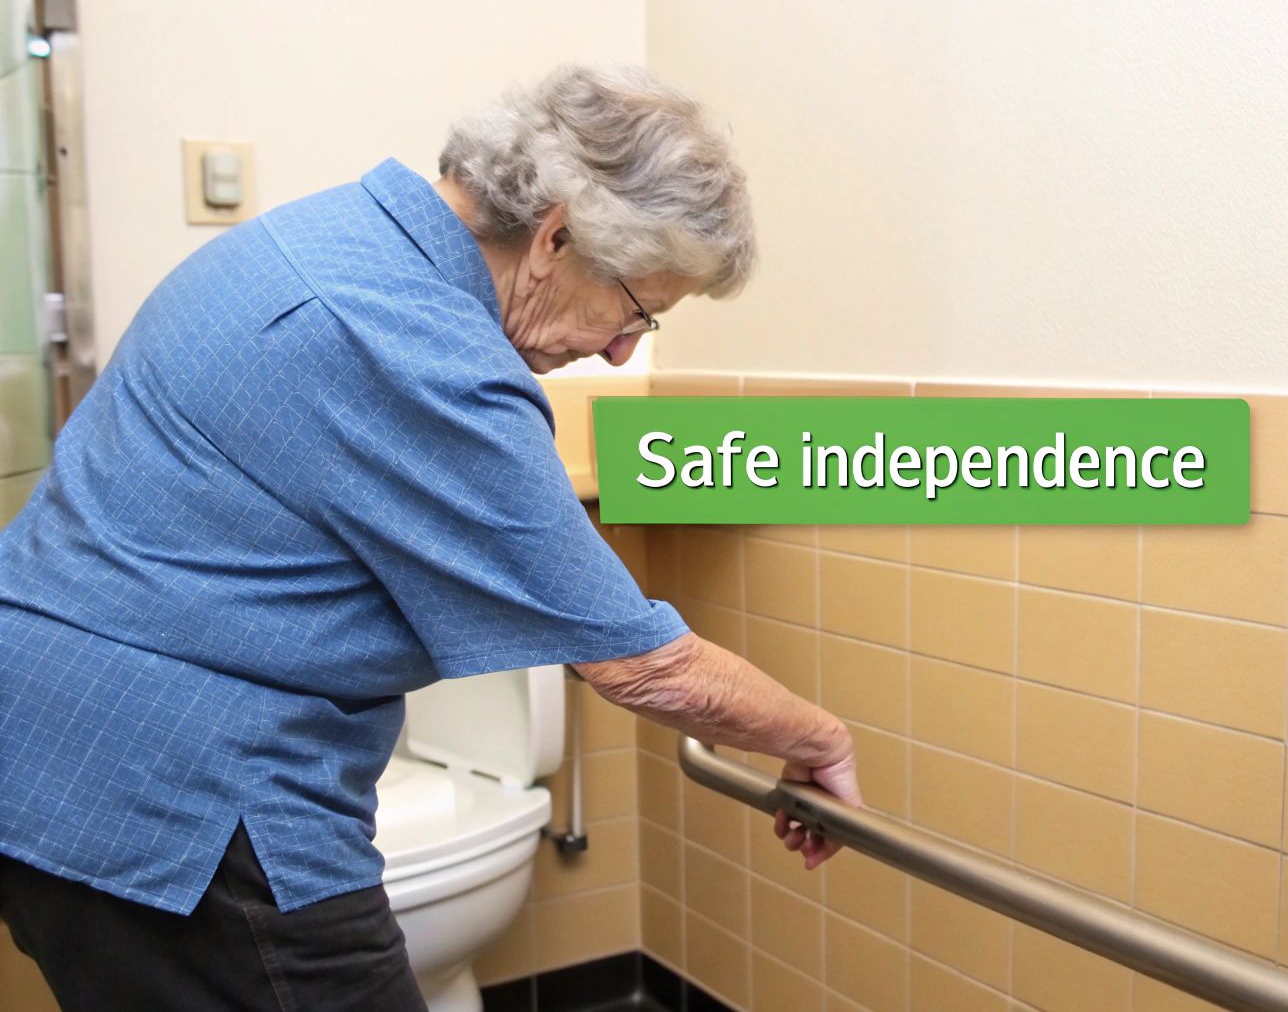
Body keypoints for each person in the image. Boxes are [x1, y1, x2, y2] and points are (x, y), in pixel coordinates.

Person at [0, 64, 860, 1011]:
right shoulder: (428, 352)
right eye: (635, 309)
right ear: (558, 236)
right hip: (187, 805)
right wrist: (818, 738)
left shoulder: (315, 238)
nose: (623, 350)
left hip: (50, 760)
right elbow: (644, 666)